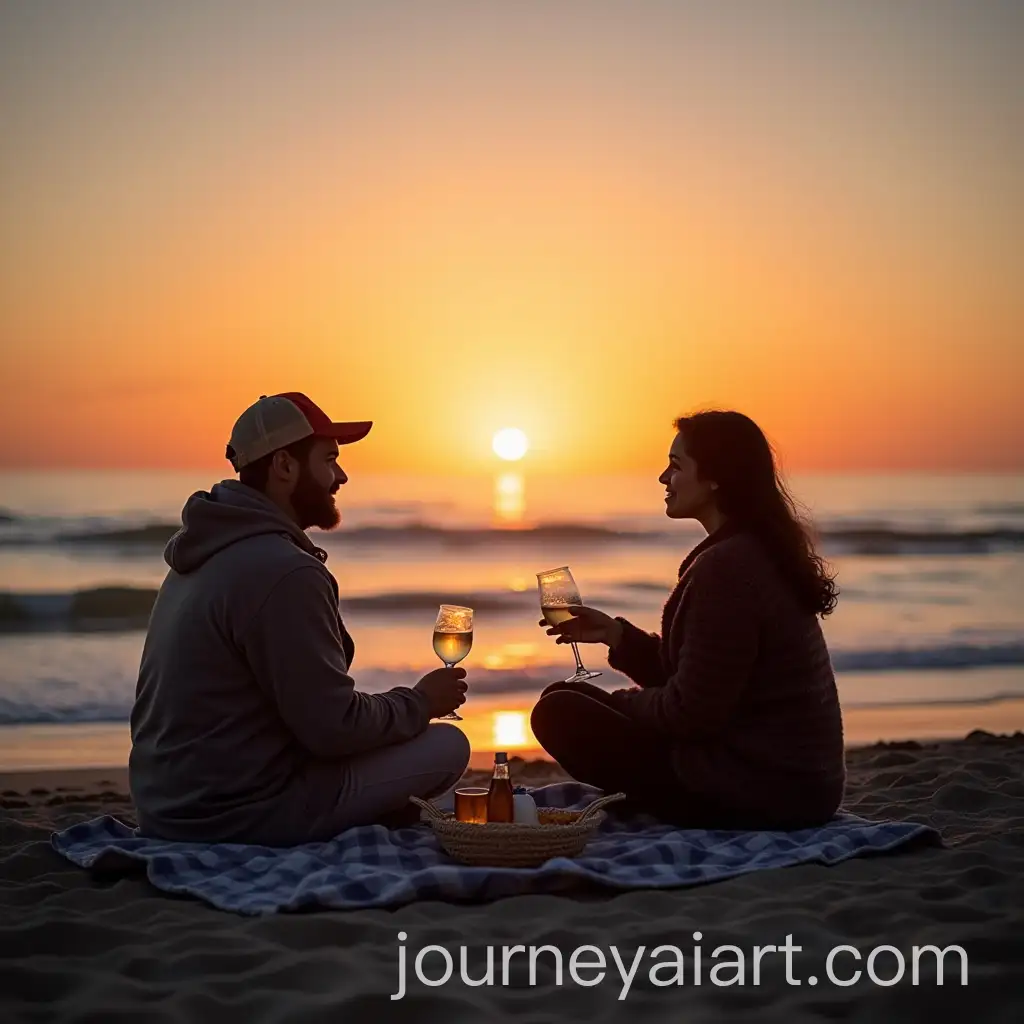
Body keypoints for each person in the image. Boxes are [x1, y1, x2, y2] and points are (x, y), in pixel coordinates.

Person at [129, 392, 470, 845]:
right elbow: (332, 729)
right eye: (329, 459)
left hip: (167, 809)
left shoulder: (203, 554)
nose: (342, 475)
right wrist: (421, 702)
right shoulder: (284, 571)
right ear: (285, 466)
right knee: (447, 746)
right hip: (238, 817)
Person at [530, 410, 845, 829]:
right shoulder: (751, 549)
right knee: (564, 697)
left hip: (767, 789)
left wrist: (622, 704)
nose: (663, 478)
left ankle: (660, 802)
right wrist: (616, 635)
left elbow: (691, 713)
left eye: (676, 466)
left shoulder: (729, 568)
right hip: (793, 782)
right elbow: (702, 680)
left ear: (715, 477)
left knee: (558, 712)